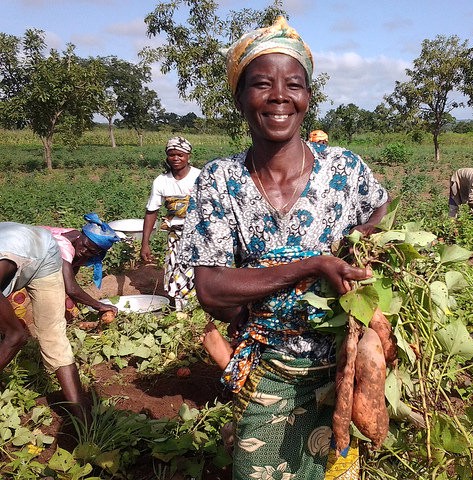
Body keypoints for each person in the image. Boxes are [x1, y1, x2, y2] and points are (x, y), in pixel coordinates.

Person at [179, 16, 389, 480]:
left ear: (308, 97)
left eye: (294, 84)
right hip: (270, 372)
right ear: (240, 99)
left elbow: (380, 208)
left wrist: (362, 245)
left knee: (336, 470)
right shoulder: (221, 181)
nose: (279, 96)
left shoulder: (344, 170)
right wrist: (309, 265)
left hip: (344, 371)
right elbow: (212, 291)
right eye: (261, 84)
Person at [1, 222, 88, 419]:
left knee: (52, 335)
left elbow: (16, 336)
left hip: (42, 252)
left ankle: (83, 417)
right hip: (15, 243)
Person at [8, 213, 122, 325]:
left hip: (41, 268)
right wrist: (98, 305)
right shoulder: (63, 245)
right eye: (85, 245)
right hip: (17, 262)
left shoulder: (80, 244)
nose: (84, 251)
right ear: (82, 236)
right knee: (19, 304)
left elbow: (70, 278)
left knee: (67, 304)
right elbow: (71, 289)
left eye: (91, 251)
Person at [141, 136, 201, 311]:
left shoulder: (199, 176)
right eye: (172, 155)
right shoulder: (161, 181)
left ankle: (201, 308)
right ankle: (181, 310)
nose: (176, 158)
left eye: (180, 155)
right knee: (176, 271)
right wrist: (145, 243)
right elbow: (151, 211)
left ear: (188, 155)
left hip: (199, 234)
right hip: (175, 235)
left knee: (199, 271)